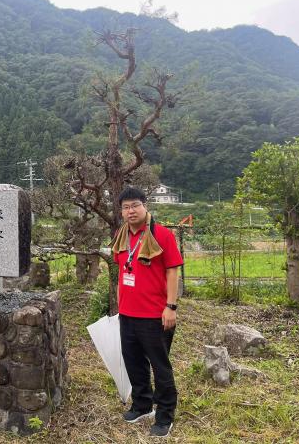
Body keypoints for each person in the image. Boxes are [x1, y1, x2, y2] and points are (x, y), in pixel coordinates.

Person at [111, 187, 183, 438]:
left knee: (160, 366)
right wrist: (120, 307)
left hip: (155, 314)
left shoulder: (162, 235)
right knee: (133, 362)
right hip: (128, 313)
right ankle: (142, 405)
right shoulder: (121, 237)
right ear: (121, 211)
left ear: (145, 206)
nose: (130, 211)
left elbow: (173, 270)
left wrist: (171, 306)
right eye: (125, 207)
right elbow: (122, 272)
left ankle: (165, 415)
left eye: (135, 205)